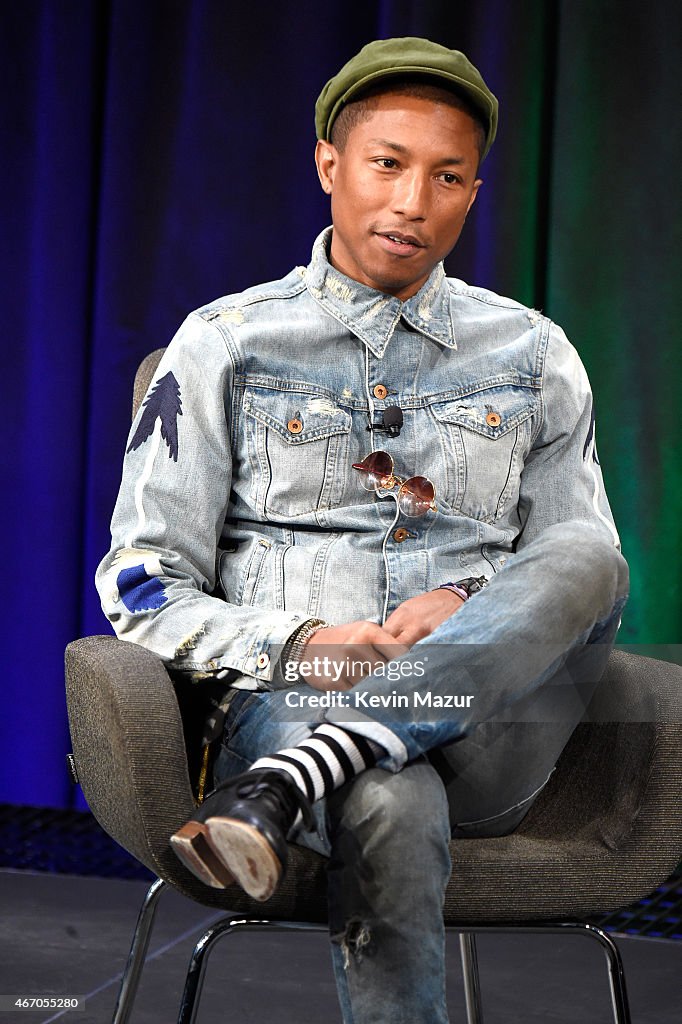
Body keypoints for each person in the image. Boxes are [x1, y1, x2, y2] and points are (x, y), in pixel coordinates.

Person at [97, 37, 628, 1024]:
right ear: (328, 164)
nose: (413, 203)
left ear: (475, 190)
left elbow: (578, 569)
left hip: (493, 733)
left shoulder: (533, 352)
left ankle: (314, 769)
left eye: (448, 176)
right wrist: (310, 644)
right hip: (287, 703)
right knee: (390, 795)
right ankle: (338, 751)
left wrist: (467, 602)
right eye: (388, 163)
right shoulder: (225, 343)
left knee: (591, 555)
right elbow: (139, 579)